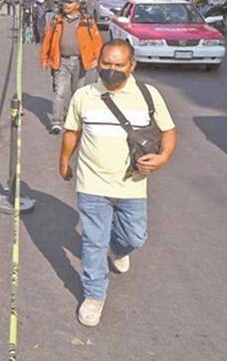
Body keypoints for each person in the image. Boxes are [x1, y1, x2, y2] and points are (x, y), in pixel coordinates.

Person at [58, 40, 177, 327]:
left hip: (132, 184)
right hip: (92, 183)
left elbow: (169, 131)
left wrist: (162, 158)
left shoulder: (149, 96)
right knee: (93, 242)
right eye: (106, 64)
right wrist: (64, 161)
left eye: (119, 65)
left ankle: (119, 248)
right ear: (98, 63)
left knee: (135, 237)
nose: (112, 70)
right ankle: (94, 296)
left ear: (131, 66)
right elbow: (72, 131)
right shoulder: (84, 95)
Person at [40, 0, 103, 134]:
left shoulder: (87, 21)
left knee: (78, 93)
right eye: (65, 1)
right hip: (61, 61)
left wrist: (97, 59)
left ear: (78, 4)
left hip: (81, 62)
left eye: (70, 2)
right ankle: (56, 122)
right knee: (60, 92)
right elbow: (47, 40)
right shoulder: (56, 20)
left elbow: (97, 42)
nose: (66, 4)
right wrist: (44, 58)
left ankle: (73, 119)